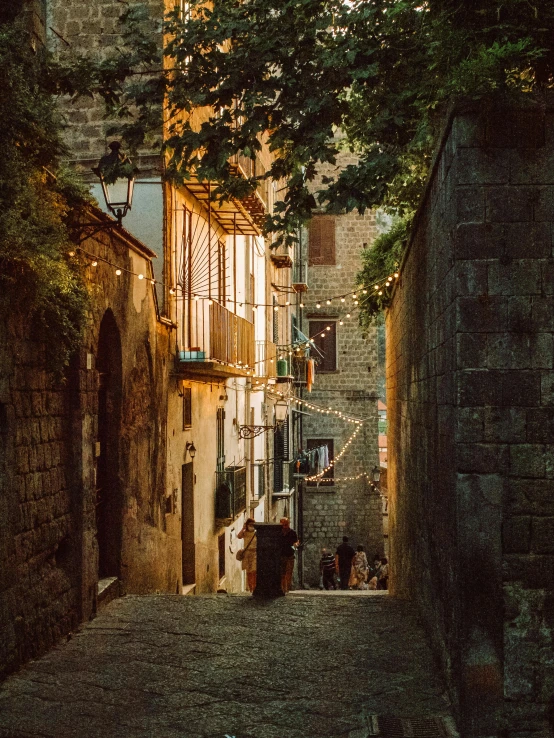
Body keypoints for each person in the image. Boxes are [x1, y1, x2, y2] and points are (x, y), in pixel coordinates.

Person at [279, 517, 299, 594]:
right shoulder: (278, 533)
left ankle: (287, 588)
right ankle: (283, 588)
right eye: (283, 525)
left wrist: (295, 545)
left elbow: (296, 542)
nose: (284, 526)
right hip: (281, 555)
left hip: (290, 555)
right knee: (282, 573)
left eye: (286, 524)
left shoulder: (293, 533)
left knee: (288, 572)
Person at [237, 518, 257, 592]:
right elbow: (239, 536)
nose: (251, 526)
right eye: (250, 525)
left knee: (254, 571)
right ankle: (251, 588)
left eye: (253, 525)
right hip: (247, 553)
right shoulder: (245, 533)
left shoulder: (256, 533)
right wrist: (243, 528)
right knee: (248, 571)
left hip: (255, 553)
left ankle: (254, 587)